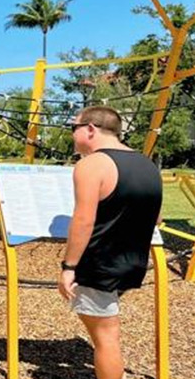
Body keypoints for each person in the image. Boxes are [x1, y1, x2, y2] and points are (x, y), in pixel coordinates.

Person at [59, 106, 162, 379]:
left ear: (90, 129)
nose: (72, 135)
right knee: (105, 331)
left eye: (74, 128)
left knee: (106, 337)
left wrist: (68, 266)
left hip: (99, 263)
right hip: (132, 261)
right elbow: (158, 217)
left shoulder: (91, 164)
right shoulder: (147, 164)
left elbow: (83, 220)